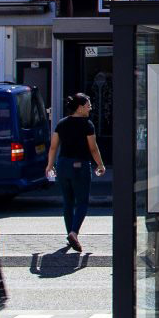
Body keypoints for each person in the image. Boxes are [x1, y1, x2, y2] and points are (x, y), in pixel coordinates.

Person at [46, 93, 106, 252]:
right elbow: (93, 148)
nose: (90, 107)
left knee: (68, 201)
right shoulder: (87, 125)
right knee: (82, 202)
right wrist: (100, 164)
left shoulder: (61, 123)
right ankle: (74, 232)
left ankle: (70, 235)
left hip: (63, 165)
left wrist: (50, 165)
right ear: (79, 108)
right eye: (88, 105)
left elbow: (53, 147)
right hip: (80, 165)